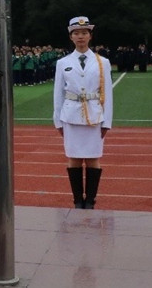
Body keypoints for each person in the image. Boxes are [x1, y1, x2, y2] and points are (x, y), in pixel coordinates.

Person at [53, 16, 113, 209]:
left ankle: (91, 200)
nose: (80, 37)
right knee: (74, 158)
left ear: (90, 36)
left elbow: (108, 94)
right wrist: (58, 121)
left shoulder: (102, 62)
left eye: (84, 33)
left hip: (94, 115)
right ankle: (78, 199)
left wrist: (107, 122)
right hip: (71, 115)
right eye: (76, 33)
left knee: (93, 157)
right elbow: (58, 93)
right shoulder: (63, 63)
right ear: (71, 37)